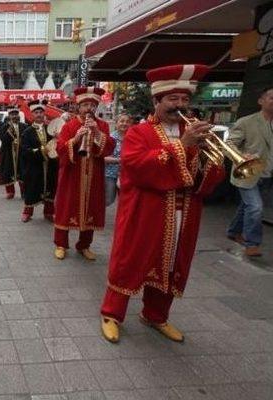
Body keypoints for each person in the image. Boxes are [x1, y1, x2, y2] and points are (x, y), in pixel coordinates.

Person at [100, 64, 225, 344]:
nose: (180, 105)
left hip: (184, 213)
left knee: (171, 265)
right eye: (172, 100)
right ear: (157, 101)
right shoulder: (138, 133)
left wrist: (208, 159)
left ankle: (155, 315)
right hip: (146, 213)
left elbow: (205, 180)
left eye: (184, 100)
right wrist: (182, 144)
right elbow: (138, 168)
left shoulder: (193, 131)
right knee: (129, 261)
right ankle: (111, 313)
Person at [53, 87, 115, 261]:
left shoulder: (102, 125)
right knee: (66, 208)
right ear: (78, 106)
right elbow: (60, 149)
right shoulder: (69, 125)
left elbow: (109, 147)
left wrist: (97, 133)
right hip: (72, 176)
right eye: (85, 105)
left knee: (91, 208)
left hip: (94, 175)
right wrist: (75, 139)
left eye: (92, 105)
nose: (89, 108)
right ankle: (60, 244)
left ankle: (84, 245)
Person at [226, 85, 273, 257]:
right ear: (261, 101)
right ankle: (252, 243)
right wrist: (241, 156)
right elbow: (228, 145)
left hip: (268, 174)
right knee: (255, 207)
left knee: (247, 206)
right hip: (248, 173)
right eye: (272, 98)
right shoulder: (246, 122)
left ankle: (233, 231)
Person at [20, 100, 57, 222]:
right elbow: (25, 151)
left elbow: (56, 145)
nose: (39, 114)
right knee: (32, 188)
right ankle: (27, 212)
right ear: (32, 114)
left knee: (50, 188)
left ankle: (49, 212)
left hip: (50, 166)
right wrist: (41, 151)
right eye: (36, 112)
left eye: (41, 112)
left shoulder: (50, 130)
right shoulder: (27, 132)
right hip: (34, 167)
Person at [0, 105, 27, 199]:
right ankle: (10, 192)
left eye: (16, 114)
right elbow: (3, 140)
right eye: (12, 114)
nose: (14, 116)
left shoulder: (24, 126)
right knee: (8, 171)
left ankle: (24, 192)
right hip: (9, 154)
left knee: (23, 173)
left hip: (21, 154)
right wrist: (9, 131)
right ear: (9, 116)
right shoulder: (4, 127)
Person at [104, 114, 132, 206]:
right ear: (116, 123)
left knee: (125, 202)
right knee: (108, 200)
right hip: (110, 174)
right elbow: (104, 158)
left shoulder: (133, 138)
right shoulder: (110, 138)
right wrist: (120, 160)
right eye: (122, 121)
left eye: (127, 122)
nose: (124, 124)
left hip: (127, 175)